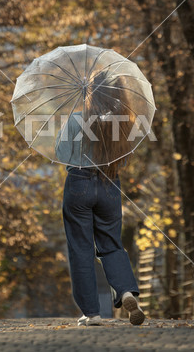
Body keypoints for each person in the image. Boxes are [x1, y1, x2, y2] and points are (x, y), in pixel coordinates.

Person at [55, 71, 145, 327]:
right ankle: (126, 291)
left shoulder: (75, 119)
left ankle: (92, 313)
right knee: (111, 244)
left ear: (90, 93)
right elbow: (124, 158)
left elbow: (61, 154)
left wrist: (71, 124)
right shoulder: (123, 122)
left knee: (81, 248)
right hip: (109, 185)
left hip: (79, 185)